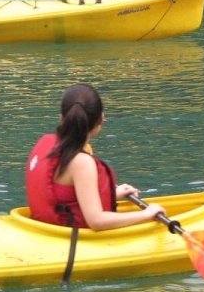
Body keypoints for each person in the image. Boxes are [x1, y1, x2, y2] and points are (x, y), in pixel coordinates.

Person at [25, 83, 166, 230]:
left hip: (43, 230)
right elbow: (96, 221)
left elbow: (65, 195)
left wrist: (112, 194)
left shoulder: (51, 146)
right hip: (69, 240)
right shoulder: (82, 163)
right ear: (101, 119)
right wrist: (147, 214)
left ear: (62, 118)